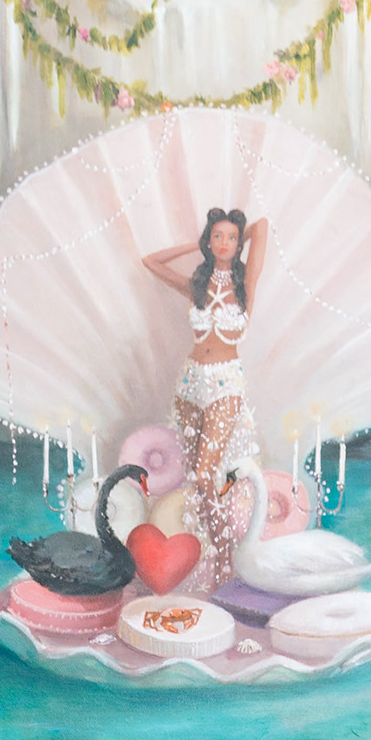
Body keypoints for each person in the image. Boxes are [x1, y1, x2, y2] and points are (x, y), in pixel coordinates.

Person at [141, 208, 270, 591]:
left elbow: (262, 227)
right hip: (190, 385)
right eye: (217, 237)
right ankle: (210, 556)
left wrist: (237, 237)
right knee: (198, 481)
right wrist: (195, 245)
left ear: (238, 242)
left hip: (225, 384)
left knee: (204, 472)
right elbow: (151, 262)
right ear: (208, 242)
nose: (224, 243)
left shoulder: (245, 283)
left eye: (231, 237)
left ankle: (227, 559)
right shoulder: (196, 286)